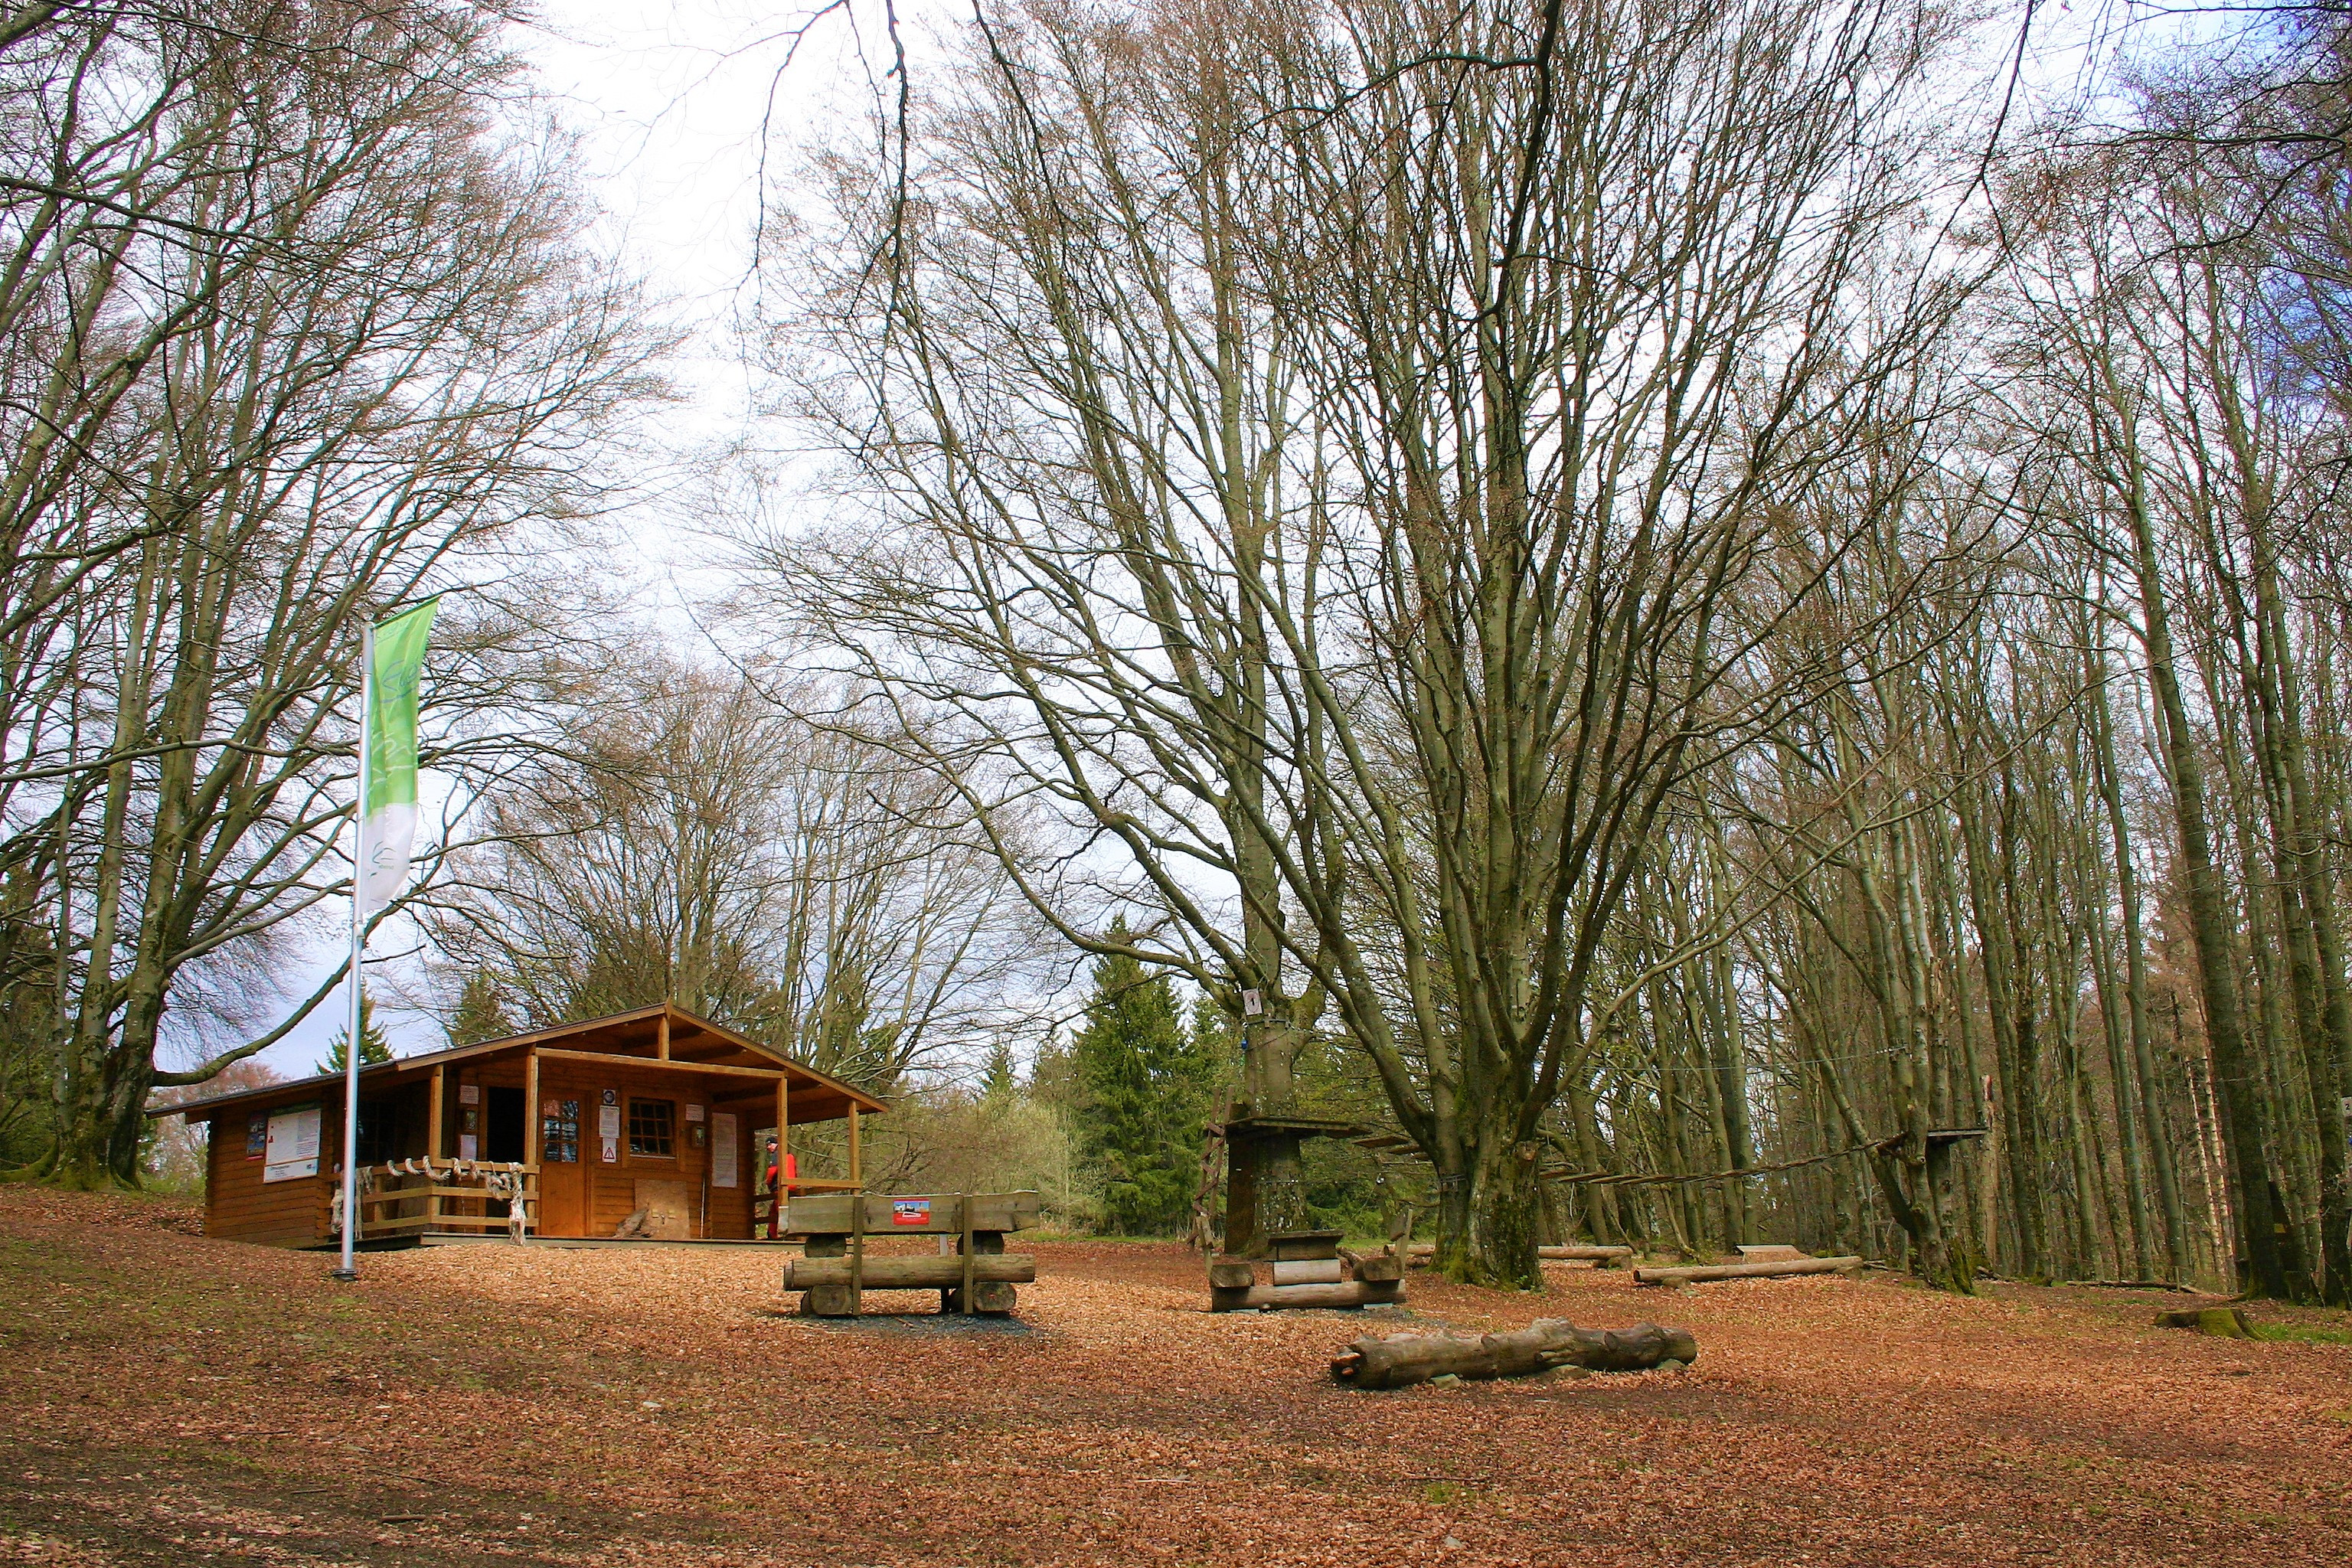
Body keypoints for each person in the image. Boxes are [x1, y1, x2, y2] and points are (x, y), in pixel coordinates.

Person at [763, 1136, 798, 1239]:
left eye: (770, 1145)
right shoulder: (789, 1155)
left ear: (776, 1144)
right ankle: (776, 1234)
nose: (768, 1147)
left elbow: (772, 1171)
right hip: (791, 1187)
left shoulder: (776, 1155)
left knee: (778, 1211)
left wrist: (768, 1182)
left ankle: (781, 1235)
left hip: (779, 1188)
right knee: (777, 1210)